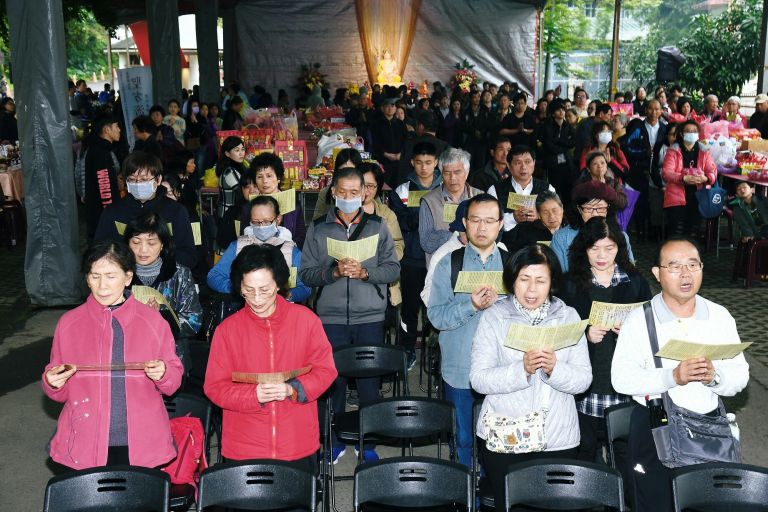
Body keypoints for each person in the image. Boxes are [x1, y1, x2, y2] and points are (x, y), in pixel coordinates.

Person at [612, 238, 749, 511]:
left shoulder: (719, 316)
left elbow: (740, 375)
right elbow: (621, 378)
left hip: (707, 430)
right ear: (657, 273)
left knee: (708, 504)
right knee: (656, 504)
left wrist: (715, 377)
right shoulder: (640, 319)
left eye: (692, 265)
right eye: (674, 266)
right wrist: (672, 377)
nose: (685, 274)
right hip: (654, 428)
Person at [470, 243, 592, 511]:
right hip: (506, 436)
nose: (532, 289)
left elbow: (584, 380)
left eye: (540, 280)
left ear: (552, 283)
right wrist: (521, 370)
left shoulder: (568, 316)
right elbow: (478, 379)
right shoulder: (495, 317)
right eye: (524, 279)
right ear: (513, 280)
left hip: (557, 436)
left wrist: (554, 369)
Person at [43, 240, 183, 469]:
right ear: (87, 278)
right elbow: (60, 391)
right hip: (84, 440)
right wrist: (52, 382)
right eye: (95, 276)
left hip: (143, 441)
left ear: (128, 277)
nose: (102, 286)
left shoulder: (153, 321)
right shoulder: (69, 323)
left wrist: (164, 373)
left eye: (110, 276)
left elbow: (173, 383)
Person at [298, 167, 400, 463]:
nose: (347, 197)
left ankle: (368, 441)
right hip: (329, 317)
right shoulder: (318, 227)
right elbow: (305, 274)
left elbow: (393, 268)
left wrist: (366, 272)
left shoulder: (378, 226)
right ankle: (332, 440)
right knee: (332, 382)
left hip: (369, 314)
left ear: (364, 193)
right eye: (342, 192)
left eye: (354, 193)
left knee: (369, 383)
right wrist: (333, 271)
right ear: (333, 193)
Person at [204, 244, 337, 463]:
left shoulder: (306, 320)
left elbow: (325, 371)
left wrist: (291, 389)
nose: (256, 299)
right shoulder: (227, 330)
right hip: (244, 446)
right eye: (248, 290)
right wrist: (253, 395)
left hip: (297, 443)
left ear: (279, 284)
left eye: (264, 289)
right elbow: (215, 387)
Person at [559, 217, 651, 465]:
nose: (602, 255)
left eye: (609, 248)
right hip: (587, 384)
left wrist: (631, 333)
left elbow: (652, 330)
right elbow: (558, 334)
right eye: (594, 248)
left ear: (619, 248)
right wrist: (584, 335)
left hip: (623, 384)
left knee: (625, 454)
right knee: (584, 450)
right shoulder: (569, 283)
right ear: (583, 249)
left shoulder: (635, 281)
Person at [427, 194, 507, 467]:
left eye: (489, 221)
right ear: (464, 222)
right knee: (462, 439)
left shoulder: (512, 265)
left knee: (499, 439)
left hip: (502, 369)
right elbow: (436, 316)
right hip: (460, 369)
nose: (481, 228)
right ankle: (464, 496)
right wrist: (470, 305)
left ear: (500, 224)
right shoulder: (449, 264)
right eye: (475, 220)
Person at [124, 212, 202, 373]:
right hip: (128, 358)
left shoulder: (180, 274)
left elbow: (194, 321)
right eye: (136, 242)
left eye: (151, 243)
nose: (143, 249)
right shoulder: (118, 275)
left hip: (171, 358)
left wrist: (160, 316)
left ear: (163, 245)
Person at [94, 151, 198, 269]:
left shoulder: (176, 211)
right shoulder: (113, 212)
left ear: (158, 180)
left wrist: (157, 261)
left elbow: (189, 256)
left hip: (165, 279)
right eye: (132, 179)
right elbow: (100, 250)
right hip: (126, 279)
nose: (138, 184)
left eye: (144, 179)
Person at [390, 142, 443, 365]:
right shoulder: (402, 191)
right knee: (410, 308)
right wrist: (428, 217)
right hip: (412, 258)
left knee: (435, 307)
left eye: (429, 163)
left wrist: (420, 218)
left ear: (436, 163)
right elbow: (402, 222)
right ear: (412, 163)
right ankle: (408, 349)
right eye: (419, 163)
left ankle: (434, 351)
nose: (424, 168)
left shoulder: (445, 187)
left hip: (439, 258)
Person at [209, 193, 311, 303]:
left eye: (266, 221)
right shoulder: (238, 246)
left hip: (280, 309)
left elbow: (305, 287)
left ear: (278, 219)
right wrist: (238, 288)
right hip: (244, 310)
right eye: (256, 222)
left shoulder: (291, 251)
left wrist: (286, 295)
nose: (261, 226)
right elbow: (213, 276)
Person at [552, 180, 634, 272]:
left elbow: (630, 271)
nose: (595, 214)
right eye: (588, 208)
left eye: (600, 208)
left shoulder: (621, 237)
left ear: (608, 208)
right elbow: (559, 277)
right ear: (579, 209)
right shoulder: (561, 238)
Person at [419, 148, 482, 264]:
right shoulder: (429, 201)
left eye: (457, 172)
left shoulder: (482, 198)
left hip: (475, 266)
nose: (452, 178)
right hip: (442, 268)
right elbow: (426, 243)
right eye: (447, 173)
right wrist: (457, 236)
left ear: (467, 173)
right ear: (441, 174)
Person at [360, 160, 405, 306]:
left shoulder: (386, 214)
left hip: (382, 280)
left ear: (378, 188)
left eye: (371, 186)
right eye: (362, 185)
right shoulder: (344, 212)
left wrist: (382, 260)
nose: (366, 191)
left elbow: (398, 244)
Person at [661, 120, 716, 238]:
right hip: (676, 198)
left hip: (698, 197)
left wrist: (705, 178)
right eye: (688, 131)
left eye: (694, 131)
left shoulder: (704, 151)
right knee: (677, 233)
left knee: (693, 233)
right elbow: (666, 173)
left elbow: (712, 172)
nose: (692, 134)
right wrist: (683, 178)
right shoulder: (673, 151)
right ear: (681, 134)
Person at [488, 145, 556, 232]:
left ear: (534, 163)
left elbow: (557, 220)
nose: (523, 167)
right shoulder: (495, 190)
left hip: (539, 242)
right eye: (518, 163)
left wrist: (539, 216)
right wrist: (513, 218)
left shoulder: (547, 188)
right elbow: (489, 222)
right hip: (507, 243)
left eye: (528, 162)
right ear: (508, 165)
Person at [625, 99, 667, 238]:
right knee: (641, 202)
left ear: (661, 111)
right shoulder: (637, 128)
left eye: (657, 109)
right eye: (650, 108)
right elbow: (629, 148)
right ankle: (640, 231)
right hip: (640, 171)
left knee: (655, 201)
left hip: (657, 171)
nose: (654, 112)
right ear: (645, 110)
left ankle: (654, 231)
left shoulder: (664, 129)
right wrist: (644, 152)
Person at [247, 152, 307, 248]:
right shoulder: (249, 206)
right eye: (259, 177)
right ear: (255, 181)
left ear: (278, 178)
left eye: (269, 176)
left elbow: (301, 237)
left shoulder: (294, 204)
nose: (265, 181)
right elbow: (244, 237)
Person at [84, 116, 122, 239]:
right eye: (116, 126)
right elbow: (104, 185)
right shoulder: (100, 152)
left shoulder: (100, 149)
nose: (119, 130)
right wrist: (110, 214)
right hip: (102, 215)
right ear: (107, 129)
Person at [397, 111, 449, 185]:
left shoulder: (409, 145)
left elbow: (402, 172)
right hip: (439, 191)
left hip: (413, 191)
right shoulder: (445, 146)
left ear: (421, 126)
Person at [540, 99, 575, 202]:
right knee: (553, 190)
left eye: (563, 109)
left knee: (567, 189)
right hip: (552, 163)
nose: (561, 112)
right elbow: (548, 145)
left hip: (567, 162)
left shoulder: (567, 126)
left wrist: (559, 142)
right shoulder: (547, 126)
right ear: (553, 113)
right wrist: (564, 145)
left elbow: (573, 142)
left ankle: (567, 212)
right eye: (558, 110)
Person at [371, 97, 408, 188]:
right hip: (383, 161)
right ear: (382, 108)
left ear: (395, 108)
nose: (390, 108)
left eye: (392, 106)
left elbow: (406, 141)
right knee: (384, 186)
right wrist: (385, 154)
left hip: (399, 161)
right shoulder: (376, 124)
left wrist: (401, 154)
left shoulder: (400, 124)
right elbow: (375, 142)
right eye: (387, 106)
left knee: (399, 186)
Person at [216, 135, 246, 220]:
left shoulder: (238, 167)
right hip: (227, 216)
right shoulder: (229, 172)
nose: (241, 153)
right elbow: (242, 193)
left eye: (242, 149)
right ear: (227, 154)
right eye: (237, 150)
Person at [462, 90, 493, 171]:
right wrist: (473, 131)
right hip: (470, 141)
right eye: (474, 97)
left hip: (482, 141)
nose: (477, 99)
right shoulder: (466, 111)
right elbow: (463, 125)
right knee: (469, 163)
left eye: (478, 97)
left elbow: (489, 124)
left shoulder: (485, 109)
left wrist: (481, 132)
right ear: (471, 99)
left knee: (480, 163)